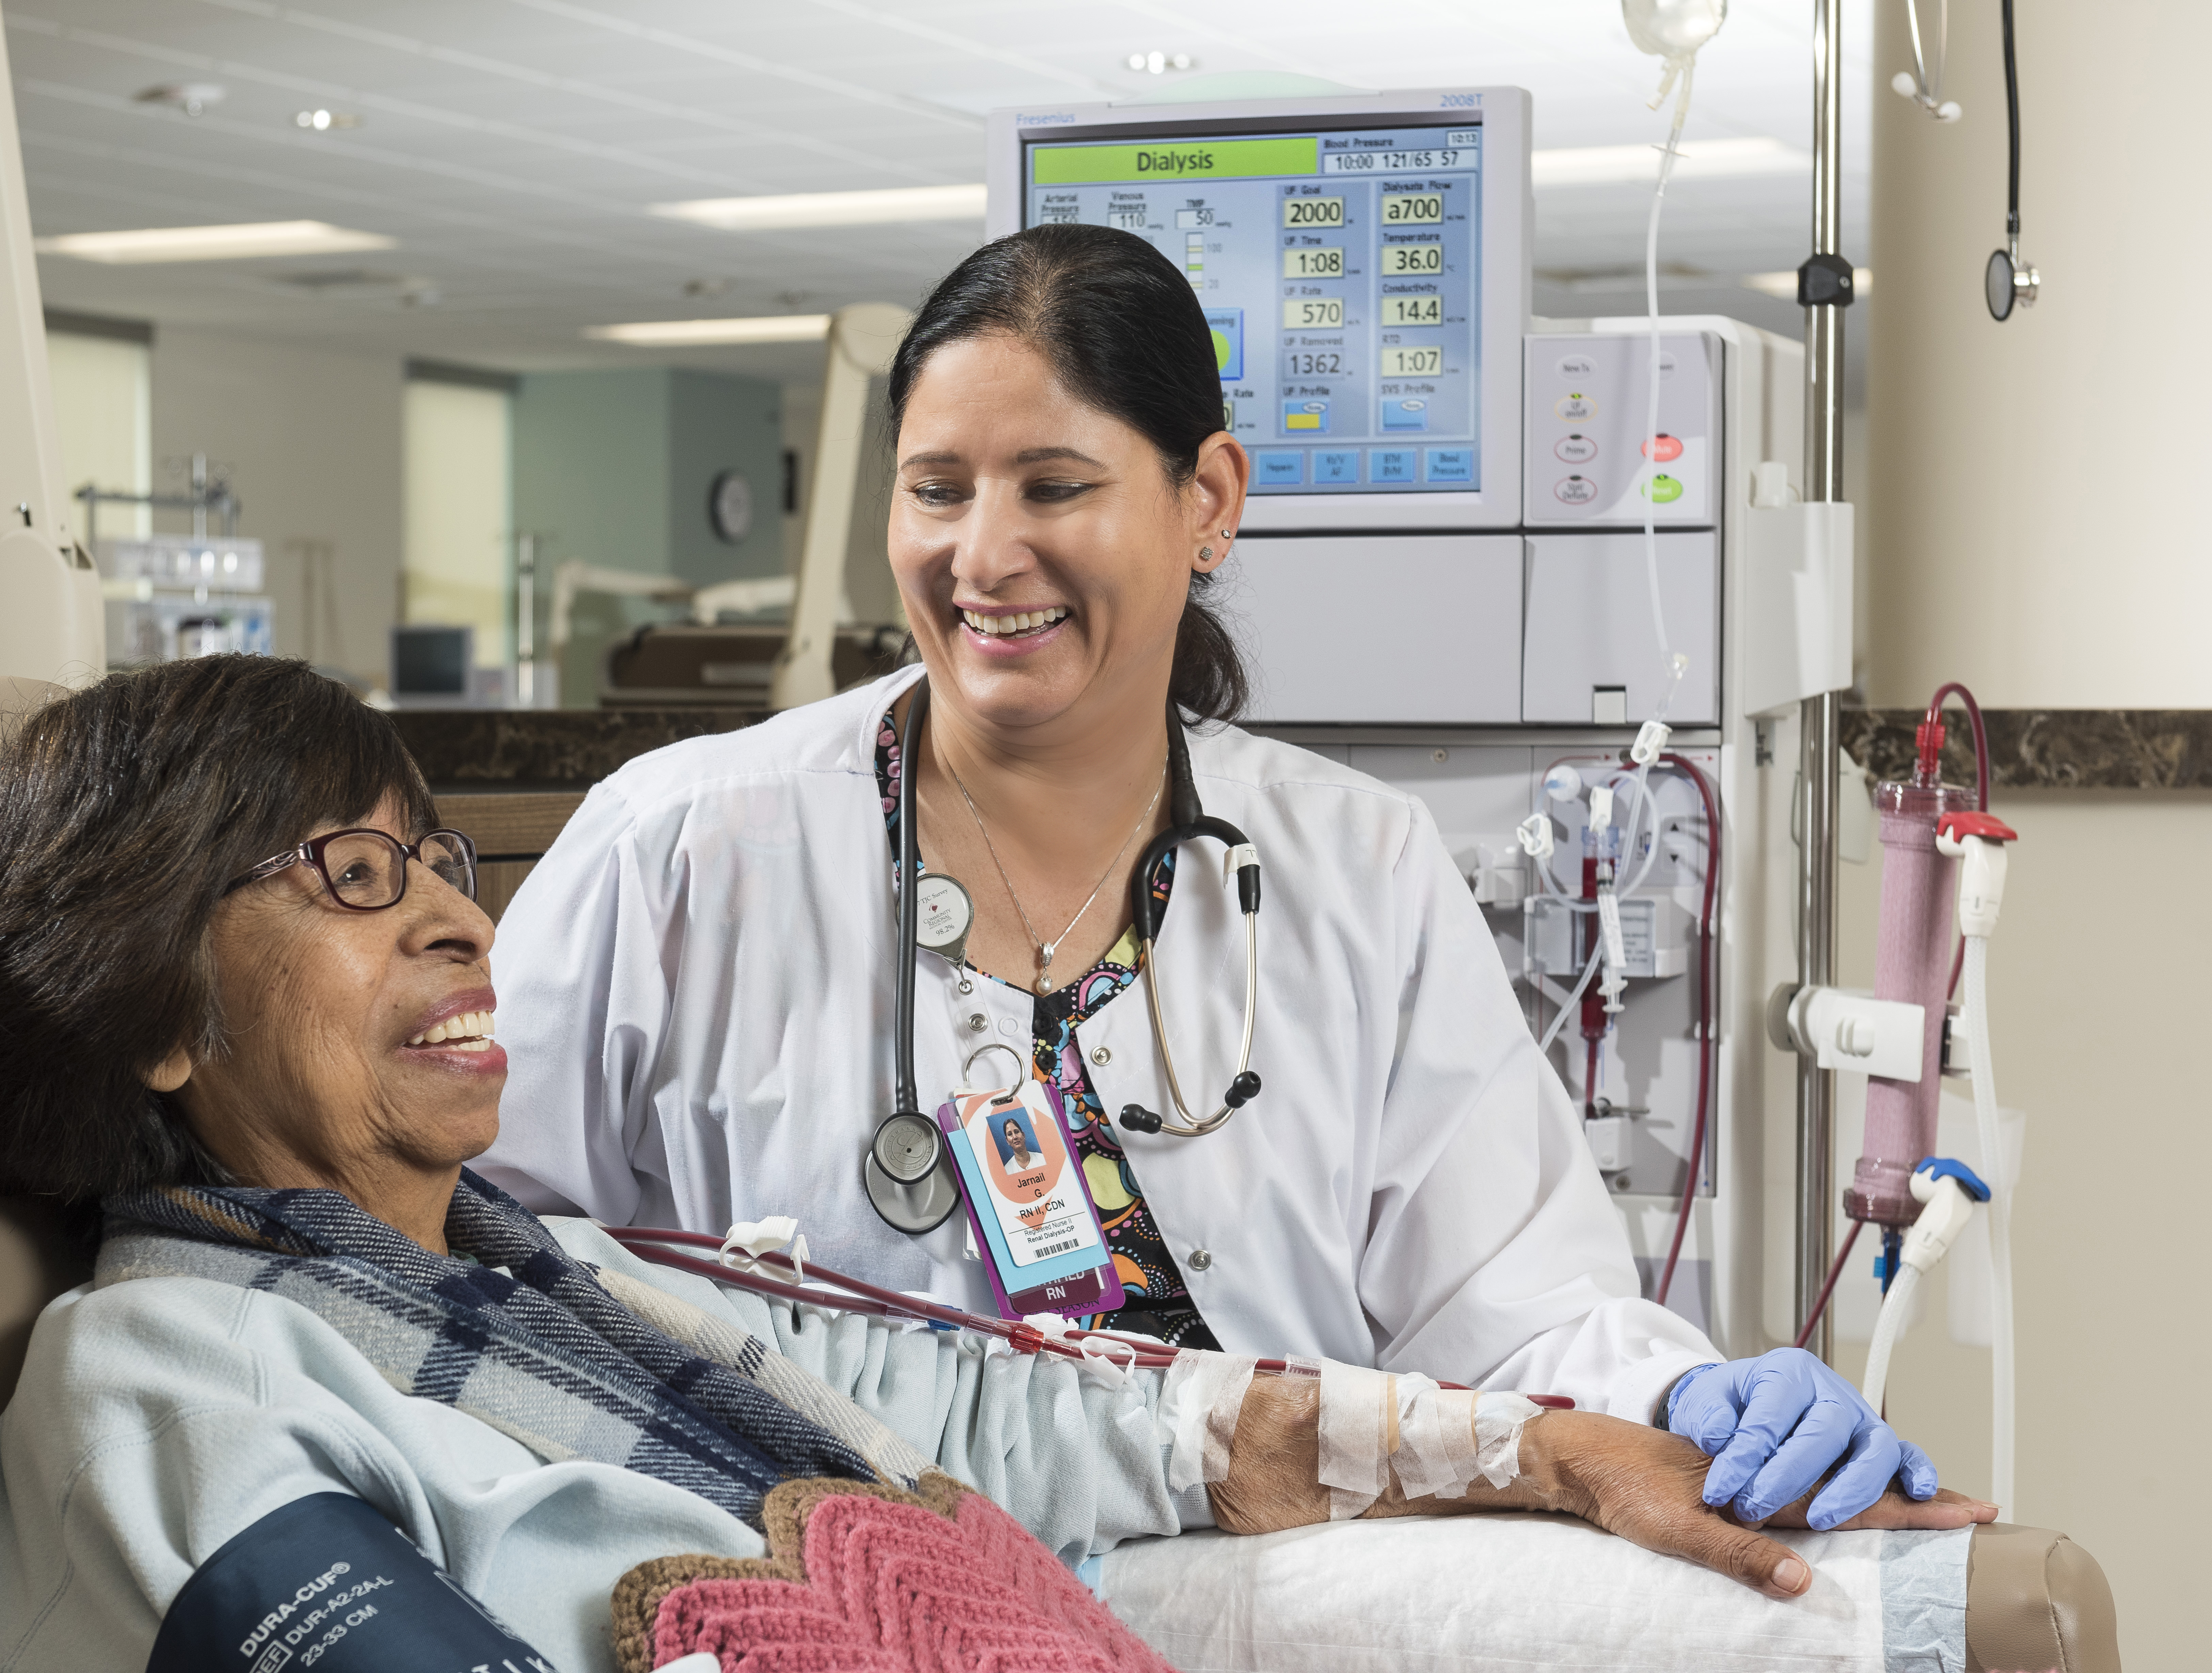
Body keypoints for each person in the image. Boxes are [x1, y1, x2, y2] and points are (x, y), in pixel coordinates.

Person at [0, 658, 1984, 1673]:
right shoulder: (158, 1383)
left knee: (1893, 1610)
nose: (468, 926)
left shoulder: (590, 1292)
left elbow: (1054, 1416)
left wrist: (1560, 1447)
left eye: (447, 871)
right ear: (151, 1010)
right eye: (350, 883)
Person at [482, 222, 1932, 1533]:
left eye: (1054, 485)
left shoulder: (1355, 867)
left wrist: (1695, 1404)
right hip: (820, 1597)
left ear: (1208, 500)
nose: (982, 553)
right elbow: (465, 1235)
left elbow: (1515, 1313)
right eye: (936, 489)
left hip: (1261, 1609)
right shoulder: (678, 844)